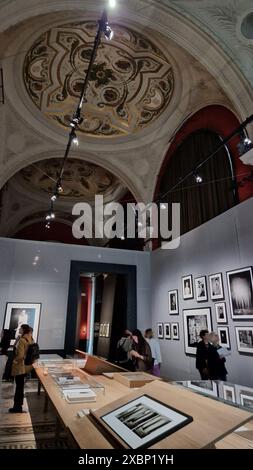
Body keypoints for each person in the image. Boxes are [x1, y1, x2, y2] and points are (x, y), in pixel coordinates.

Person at [9, 324, 34, 413]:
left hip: (20, 367)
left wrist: (14, 361)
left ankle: (17, 407)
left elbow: (20, 355)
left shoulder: (22, 340)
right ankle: (18, 405)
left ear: (23, 330)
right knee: (20, 386)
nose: (19, 329)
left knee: (19, 387)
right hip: (27, 366)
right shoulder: (30, 339)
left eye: (20, 328)